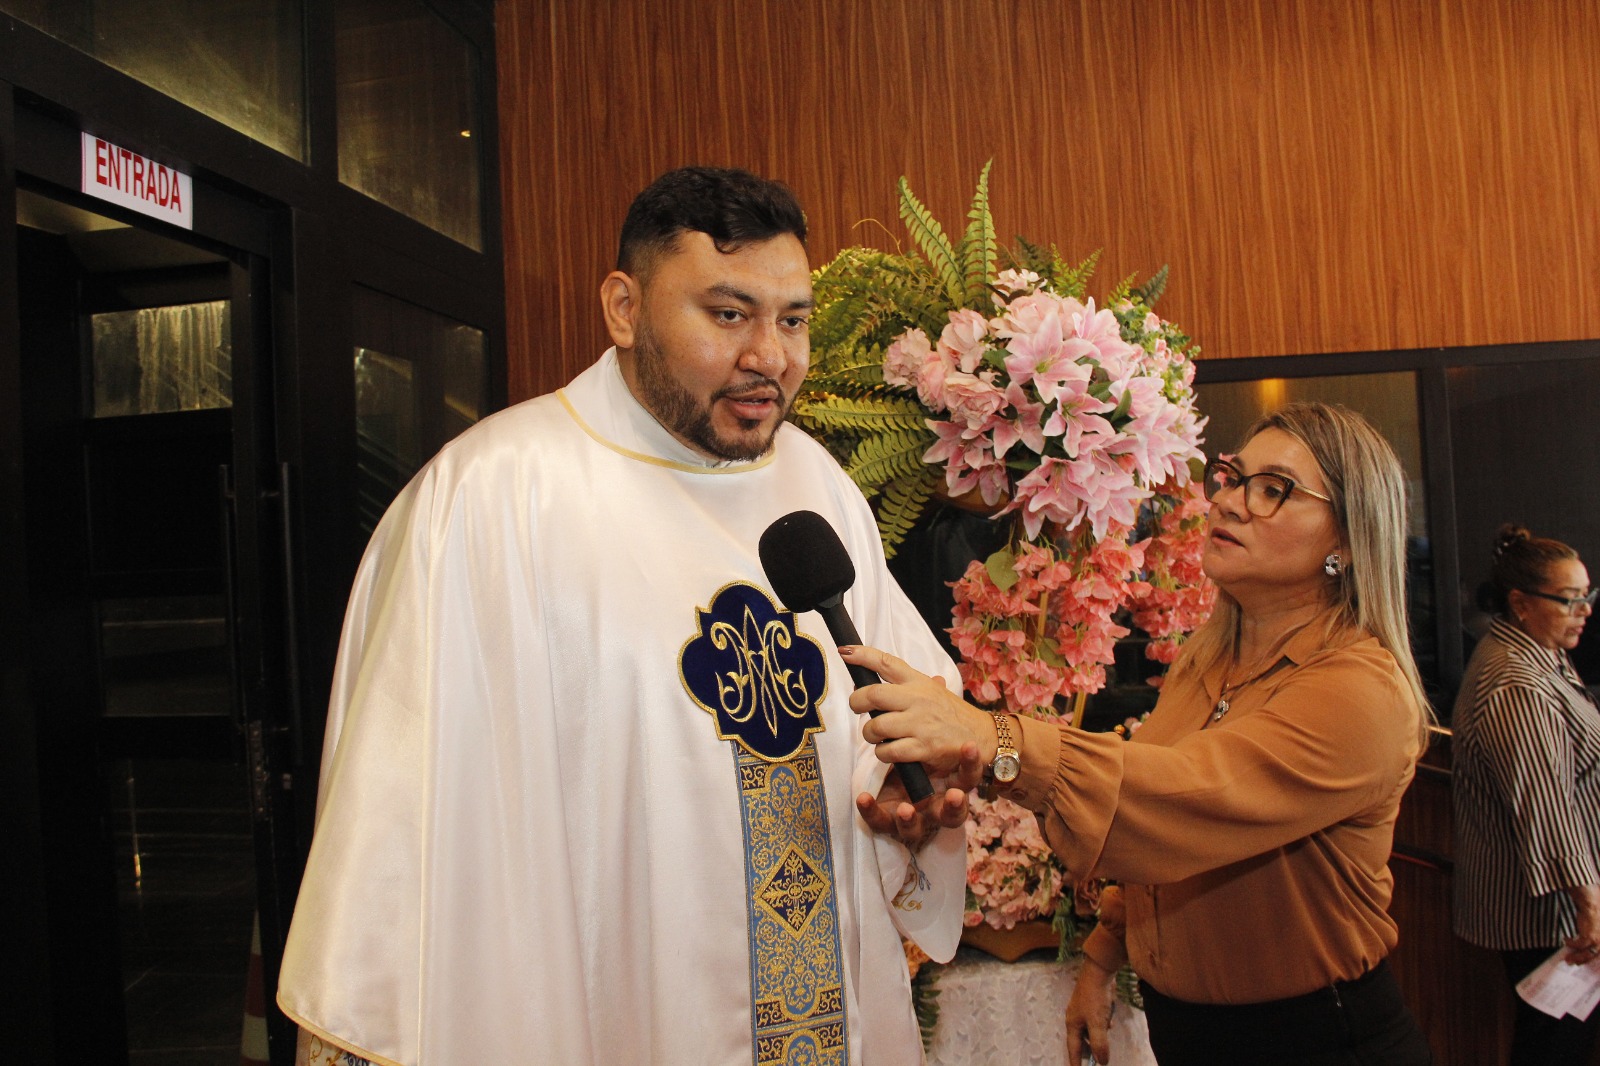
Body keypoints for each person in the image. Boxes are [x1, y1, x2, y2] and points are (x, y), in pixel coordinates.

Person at [276, 166, 980, 1066]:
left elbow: (908, 713)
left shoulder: (817, 488)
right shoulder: (492, 499)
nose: (771, 355)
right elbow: (411, 838)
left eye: (793, 319)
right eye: (728, 314)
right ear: (623, 306)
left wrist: (904, 804)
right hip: (615, 1017)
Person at [841, 401, 1435, 1065]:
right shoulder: (1209, 660)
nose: (1233, 503)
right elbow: (1160, 848)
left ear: (1347, 543)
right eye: (1235, 479)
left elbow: (1181, 800)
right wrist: (1101, 961)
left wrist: (990, 737)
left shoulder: (1359, 692)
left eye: (1275, 491)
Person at [1452, 525, 1600, 1065]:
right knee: (1554, 1048)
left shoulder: (1539, 648)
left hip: (1559, 906)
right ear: (1520, 603)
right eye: (1569, 600)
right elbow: (1546, 809)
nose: (1584, 609)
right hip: (1548, 913)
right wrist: (1591, 906)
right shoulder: (1516, 683)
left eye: (1588, 596)